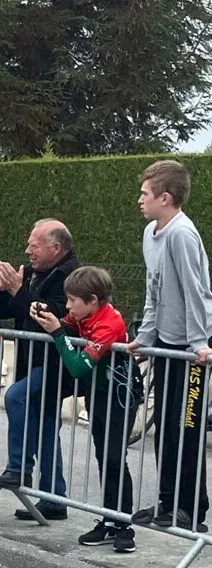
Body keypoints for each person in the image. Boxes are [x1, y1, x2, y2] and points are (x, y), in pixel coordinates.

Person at [125, 160, 212, 532]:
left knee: (187, 426)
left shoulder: (182, 234)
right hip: (164, 342)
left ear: (166, 197)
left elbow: (197, 291)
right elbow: (153, 288)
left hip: (189, 349)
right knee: (166, 426)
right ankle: (166, 501)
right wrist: (145, 337)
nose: (139, 200)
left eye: (145, 194)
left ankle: (192, 510)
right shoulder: (151, 233)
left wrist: (200, 342)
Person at [28, 267, 139, 553]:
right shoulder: (85, 315)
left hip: (121, 395)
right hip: (99, 392)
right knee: (104, 457)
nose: (67, 306)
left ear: (92, 300)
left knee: (115, 457)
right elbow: (65, 325)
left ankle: (124, 526)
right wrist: (49, 318)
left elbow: (77, 367)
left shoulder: (108, 323)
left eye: (72, 301)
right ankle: (109, 521)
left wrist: (56, 334)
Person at [0, 220, 80, 514]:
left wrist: (18, 289)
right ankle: (53, 499)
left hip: (54, 361)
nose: (27, 251)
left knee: (14, 396)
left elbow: (50, 315)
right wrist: (0, 290)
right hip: (31, 360)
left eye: (33, 246)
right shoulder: (36, 272)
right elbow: (7, 311)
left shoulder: (70, 276)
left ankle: (19, 466)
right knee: (47, 427)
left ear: (55, 247)